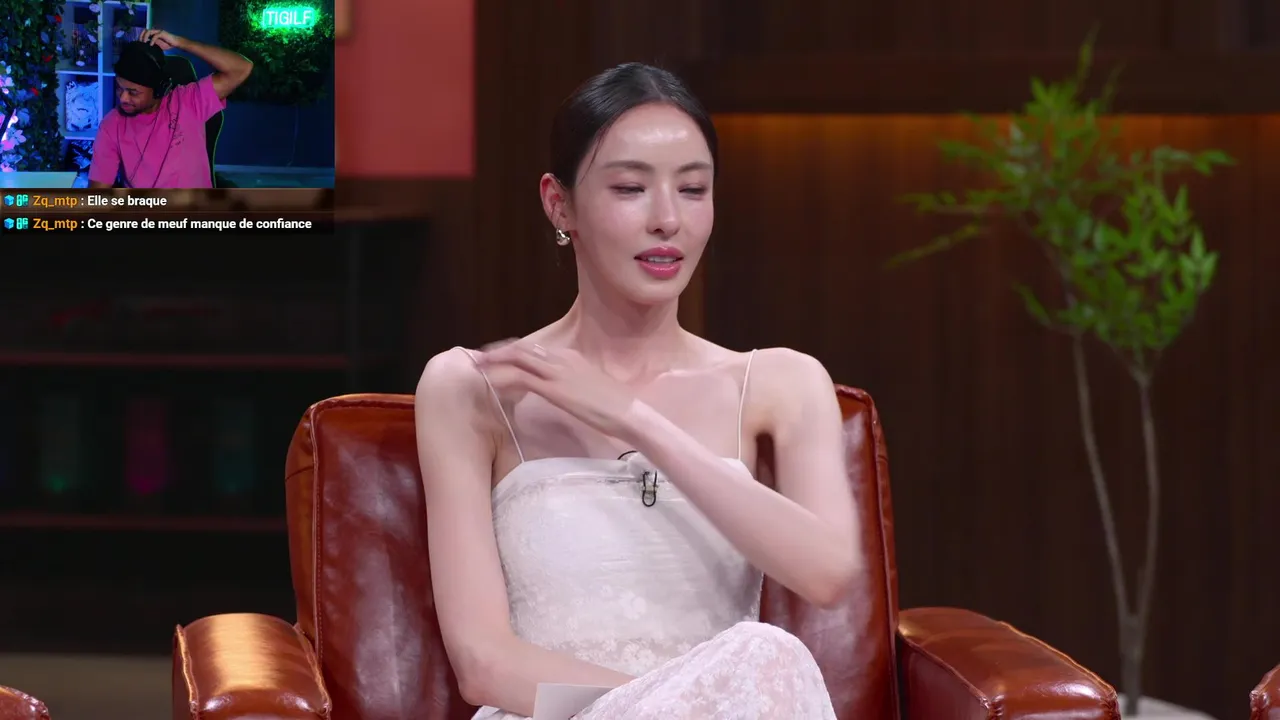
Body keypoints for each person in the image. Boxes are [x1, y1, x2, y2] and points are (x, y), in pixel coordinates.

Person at [414, 63, 859, 719]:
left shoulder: (781, 382)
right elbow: (483, 664)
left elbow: (827, 572)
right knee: (765, 662)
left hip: (741, 704)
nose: (667, 220)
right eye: (630, 188)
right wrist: (683, 704)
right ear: (559, 203)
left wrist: (635, 420)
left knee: (768, 655)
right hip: (564, 716)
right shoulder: (473, 387)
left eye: (693, 189)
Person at [88, 29, 253, 189]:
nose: (123, 98)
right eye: (119, 88)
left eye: (133, 92)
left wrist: (181, 43)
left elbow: (241, 68)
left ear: (159, 90)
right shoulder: (111, 125)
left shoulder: (189, 101)